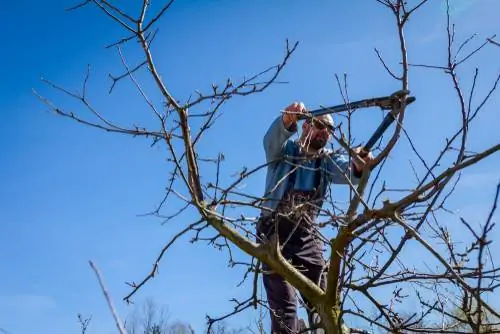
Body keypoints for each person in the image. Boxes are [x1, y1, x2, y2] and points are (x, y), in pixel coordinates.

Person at [257, 101, 375, 333]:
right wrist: (286, 120)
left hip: (306, 236)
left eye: (330, 129)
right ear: (304, 126)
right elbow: (270, 141)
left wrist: (361, 165)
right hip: (274, 233)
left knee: (324, 298)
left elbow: (349, 171)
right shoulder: (284, 152)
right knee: (285, 306)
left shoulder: (327, 160)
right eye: (320, 125)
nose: (325, 132)